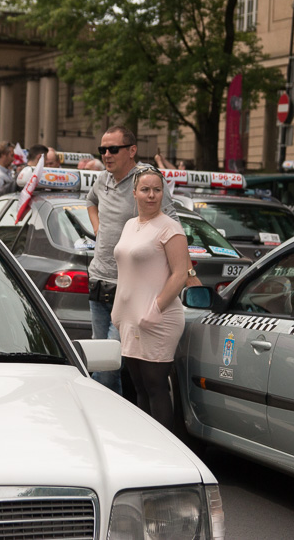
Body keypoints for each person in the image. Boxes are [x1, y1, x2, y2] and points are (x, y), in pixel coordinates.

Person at [86, 125, 196, 394]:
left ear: (132, 150)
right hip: (99, 281)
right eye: (103, 150)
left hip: (130, 291)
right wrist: (99, 228)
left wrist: (188, 273)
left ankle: (116, 424)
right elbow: (90, 201)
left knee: (112, 368)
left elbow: (173, 225)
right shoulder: (102, 180)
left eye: (113, 149)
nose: (107, 154)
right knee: (100, 362)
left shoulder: (147, 179)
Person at [112, 166, 191, 430]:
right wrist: (118, 311)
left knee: (156, 388)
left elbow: (181, 274)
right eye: (145, 190)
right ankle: (143, 442)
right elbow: (127, 272)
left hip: (159, 318)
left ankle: (165, 451)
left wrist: (156, 308)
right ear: (134, 193)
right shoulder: (129, 225)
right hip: (131, 320)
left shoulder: (170, 228)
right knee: (139, 388)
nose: (151, 195)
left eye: (157, 190)